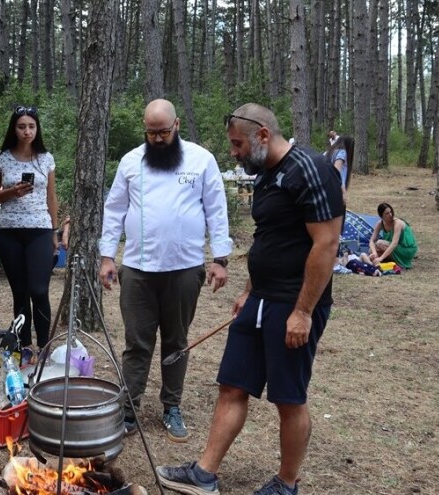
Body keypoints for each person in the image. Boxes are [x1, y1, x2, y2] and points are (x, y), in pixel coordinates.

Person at [156, 103, 344, 495]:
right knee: (232, 384)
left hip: (293, 304)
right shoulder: (266, 175)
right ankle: (204, 474)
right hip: (259, 300)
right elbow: (267, 239)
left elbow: (326, 243)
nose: (234, 153)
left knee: (288, 398)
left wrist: (303, 312)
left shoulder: (310, 169)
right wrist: (248, 290)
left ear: (262, 134)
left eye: (238, 144)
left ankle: (286, 484)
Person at [98, 99, 232, 443]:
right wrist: (107, 257)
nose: (157, 139)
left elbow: (216, 209)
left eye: (163, 132)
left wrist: (220, 258)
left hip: (184, 269)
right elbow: (114, 210)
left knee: (177, 341)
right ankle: (129, 408)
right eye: (151, 133)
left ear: (177, 126)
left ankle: (172, 406)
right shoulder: (131, 162)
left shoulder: (201, 160)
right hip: (138, 269)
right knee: (137, 342)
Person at [0, 105, 59, 364]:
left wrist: (54, 231)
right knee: (20, 291)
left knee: (38, 289)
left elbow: (51, 197)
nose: (27, 131)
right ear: (14, 129)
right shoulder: (2, 157)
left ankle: (44, 345)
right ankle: (25, 346)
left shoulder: (46, 158)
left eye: (31, 126)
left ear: (37, 129)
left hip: (40, 229)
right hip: (8, 230)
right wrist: (11, 192)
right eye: (21, 127)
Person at [367, 202, 418, 269]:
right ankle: (386, 262)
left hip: (406, 249)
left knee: (379, 243)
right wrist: (374, 253)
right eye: (387, 213)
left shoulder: (397, 223)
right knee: (371, 251)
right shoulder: (380, 223)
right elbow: (371, 241)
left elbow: (394, 243)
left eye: (391, 212)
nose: (390, 215)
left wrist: (381, 258)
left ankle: (396, 261)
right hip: (394, 248)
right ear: (381, 216)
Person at [325, 135, 354, 205]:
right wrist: (343, 192)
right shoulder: (342, 153)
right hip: (335, 190)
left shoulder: (328, 152)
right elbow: (336, 173)